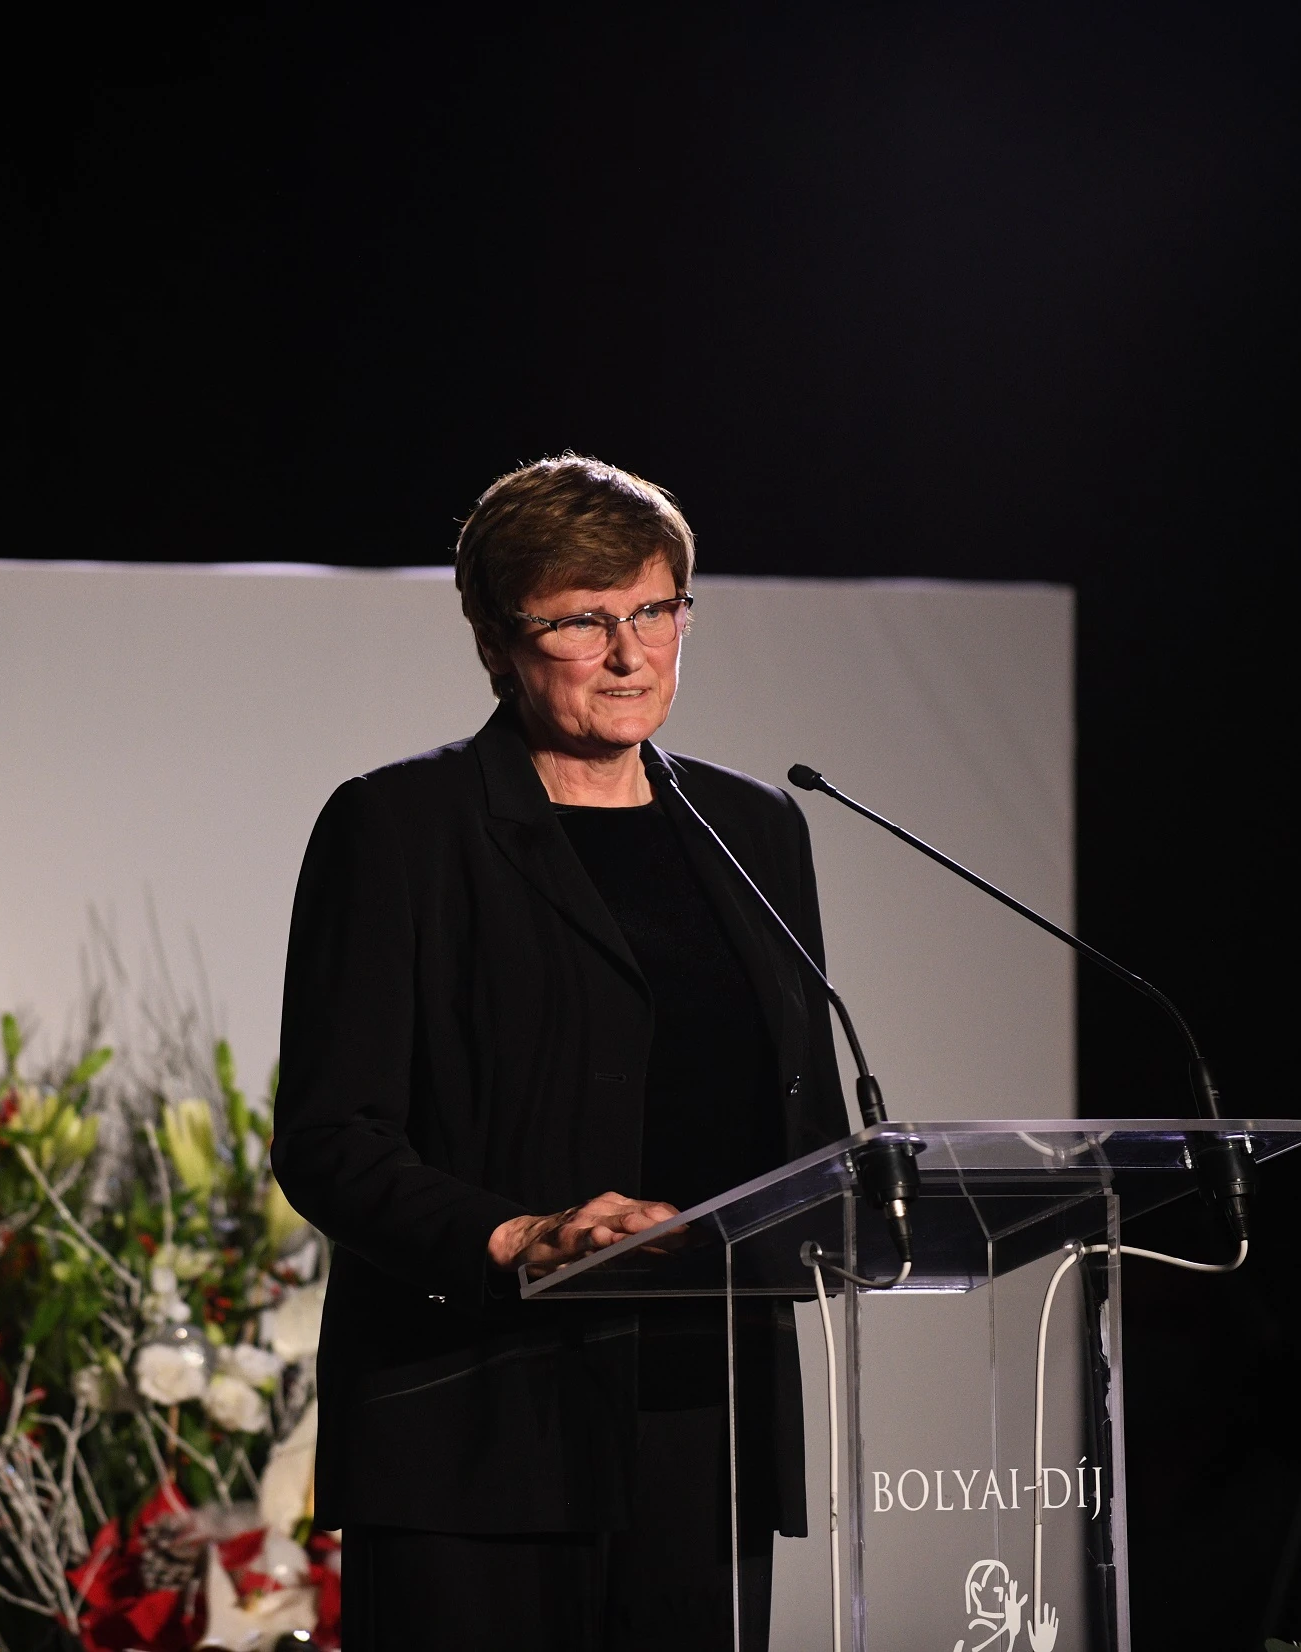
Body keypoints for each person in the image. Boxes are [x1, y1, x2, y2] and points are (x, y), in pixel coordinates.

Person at [272, 454, 850, 1650]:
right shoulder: (398, 826)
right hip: (479, 1423)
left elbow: (800, 1118)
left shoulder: (753, 829)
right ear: (495, 639)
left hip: (705, 1415)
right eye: (583, 620)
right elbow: (331, 1138)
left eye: (654, 608)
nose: (630, 652)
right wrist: (517, 1237)